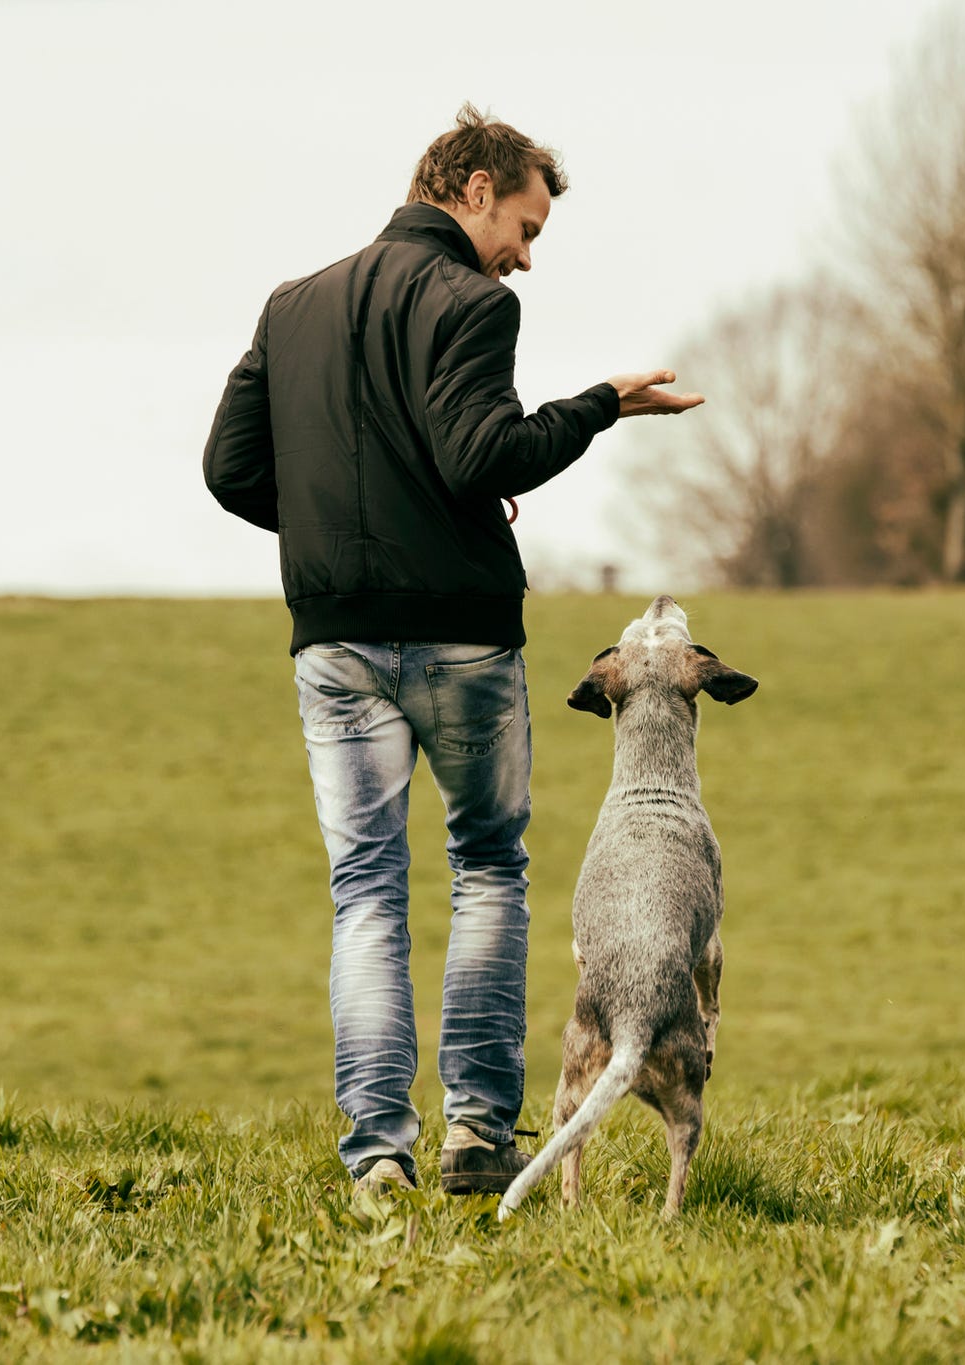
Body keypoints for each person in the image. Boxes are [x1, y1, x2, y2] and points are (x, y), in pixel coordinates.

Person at [202, 103, 703, 1197]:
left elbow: (232, 473)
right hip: (463, 639)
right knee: (485, 871)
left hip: (333, 640)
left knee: (366, 892)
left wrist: (343, 526)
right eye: (522, 227)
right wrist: (598, 406)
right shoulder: (469, 304)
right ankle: (477, 1137)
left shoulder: (289, 308)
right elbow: (482, 455)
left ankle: (376, 1156)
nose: (523, 257)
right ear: (470, 189)